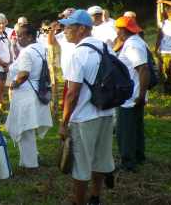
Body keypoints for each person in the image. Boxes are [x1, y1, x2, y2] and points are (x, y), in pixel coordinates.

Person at [58, 10, 115, 205]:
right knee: (101, 157)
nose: (65, 31)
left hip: (84, 117)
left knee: (81, 163)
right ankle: (95, 197)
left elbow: (72, 94)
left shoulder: (79, 53)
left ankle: (78, 201)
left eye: (68, 27)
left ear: (81, 29)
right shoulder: (107, 48)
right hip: (107, 112)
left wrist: (64, 122)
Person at [5, 24, 53, 169]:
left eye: (21, 35)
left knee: (25, 129)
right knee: (28, 129)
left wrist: (13, 84)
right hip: (37, 91)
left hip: (26, 95)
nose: (18, 38)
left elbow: (24, 73)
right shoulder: (40, 48)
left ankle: (30, 164)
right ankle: (29, 159)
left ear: (30, 36)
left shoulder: (26, 52)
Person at [114, 17, 149, 172]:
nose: (116, 32)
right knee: (135, 127)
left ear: (123, 30)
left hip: (131, 96)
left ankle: (128, 162)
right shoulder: (133, 42)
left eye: (117, 29)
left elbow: (143, 69)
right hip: (134, 94)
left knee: (125, 131)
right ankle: (138, 156)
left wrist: (141, 95)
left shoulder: (133, 45)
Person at [48, 8, 77, 118]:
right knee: (69, 99)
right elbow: (51, 42)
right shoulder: (63, 34)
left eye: (67, 18)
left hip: (78, 72)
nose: (65, 20)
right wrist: (52, 30)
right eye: (64, 18)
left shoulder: (80, 33)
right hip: (68, 73)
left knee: (75, 99)